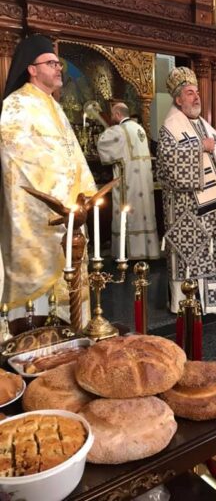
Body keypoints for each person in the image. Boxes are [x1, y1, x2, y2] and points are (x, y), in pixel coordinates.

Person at [0, 35, 97, 321]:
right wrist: (61, 197)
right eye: (51, 63)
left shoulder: (53, 105)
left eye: (58, 63)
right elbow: (19, 160)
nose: (58, 68)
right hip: (40, 217)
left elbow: (73, 154)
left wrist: (84, 194)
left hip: (69, 213)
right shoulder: (16, 105)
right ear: (32, 69)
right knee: (40, 307)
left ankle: (73, 335)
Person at [157, 67, 216, 314]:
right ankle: (184, 304)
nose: (196, 97)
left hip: (212, 209)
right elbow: (167, 164)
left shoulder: (207, 128)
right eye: (190, 93)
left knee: (211, 256)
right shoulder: (170, 128)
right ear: (178, 99)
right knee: (189, 255)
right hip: (186, 209)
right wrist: (199, 147)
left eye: (197, 92)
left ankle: (213, 305)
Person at [97, 102, 160, 261]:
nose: (112, 118)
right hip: (143, 182)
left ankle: (127, 253)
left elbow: (102, 143)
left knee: (128, 213)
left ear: (118, 114)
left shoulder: (119, 130)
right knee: (144, 213)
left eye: (113, 114)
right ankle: (146, 250)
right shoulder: (140, 129)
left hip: (128, 181)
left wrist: (107, 129)